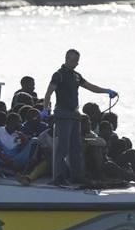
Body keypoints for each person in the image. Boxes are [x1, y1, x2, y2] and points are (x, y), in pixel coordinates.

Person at [42, 49, 117, 184]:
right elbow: (48, 93)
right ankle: (58, 177)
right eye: (75, 61)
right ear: (68, 59)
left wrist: (107, 91)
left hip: (74, 115)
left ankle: (77, 175)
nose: (77, 63)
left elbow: (91, 87)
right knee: (62, 148)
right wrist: (45, 109)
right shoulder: (58, 75)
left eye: (77, 61)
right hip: (63, 115)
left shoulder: (76, 76)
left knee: (76, 147)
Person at [0, 112, 38, 184]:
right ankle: (17, 174)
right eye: (18, 122)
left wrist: (25, 139)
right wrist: (10, 162)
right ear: (9, 122)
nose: (20, 124)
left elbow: (22, 150)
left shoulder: (18, 135)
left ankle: (21, 172)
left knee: (35, 140)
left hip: (16, 159)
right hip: (3, 160)